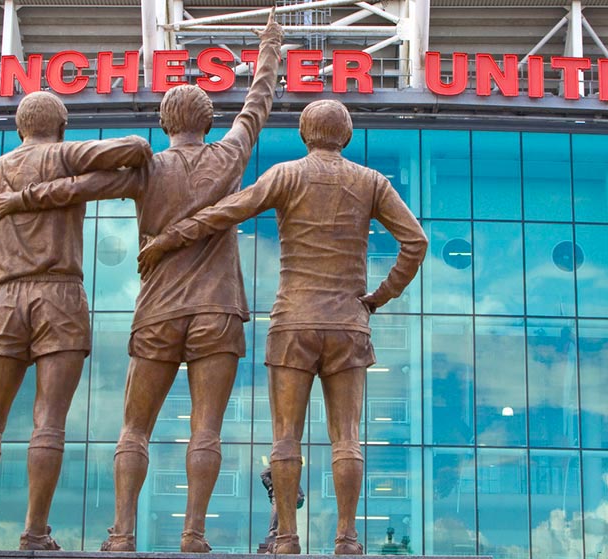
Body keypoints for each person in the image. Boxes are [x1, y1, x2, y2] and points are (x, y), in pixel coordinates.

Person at [0, 13, 283, 552]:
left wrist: (19, 198)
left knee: (135, 427)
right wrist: (270, 47)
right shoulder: (230, 154)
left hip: (157, 312)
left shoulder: (147, 170)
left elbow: (78, 187)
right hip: (217, 309)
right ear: (208, 121)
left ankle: (121, 534)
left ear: (165, 123)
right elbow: (257, 103)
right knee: (206, 429)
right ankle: (194, 535)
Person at [135, 99, 428, 554]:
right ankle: (347, 538)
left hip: (293, 321)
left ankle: (288, 538)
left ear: (304, 136)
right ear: (347, 136)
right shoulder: (371, 182)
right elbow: (416, 242)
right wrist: (380, 295)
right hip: (348, 322)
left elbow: (227, 211)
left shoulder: (286, 175)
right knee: (347, 437)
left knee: (286, 437)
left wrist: (170, 238)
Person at [0, 90, 152, 550]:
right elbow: (137, 148)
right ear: (61, 126)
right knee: (49, 422)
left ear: (20, 128)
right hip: (59, 295)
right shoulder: (65, 154)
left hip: (3, 298)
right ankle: (35, 532)